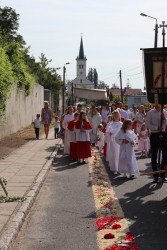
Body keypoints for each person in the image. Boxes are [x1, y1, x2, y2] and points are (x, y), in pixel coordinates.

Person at [146, 104, 167, 183]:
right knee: (154, 154)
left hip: (163, 134)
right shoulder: (150, 112)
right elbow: (148, 124)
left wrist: (164, 118)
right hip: (155, 134)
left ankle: (162, 174)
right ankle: (155, 175)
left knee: (165, 154)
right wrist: (156, 128)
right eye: (156, 104)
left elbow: (166, 123)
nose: (158, 106)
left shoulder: (165, 112)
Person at [107, 110, 122, 174]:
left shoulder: (121, 124)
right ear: (113, 116)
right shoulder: (110, 124)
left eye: (117, 115)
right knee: (115, 154)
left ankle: (120, 168)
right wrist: (109, 134)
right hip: (113, 141)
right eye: (115, 115)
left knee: (120, 155)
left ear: (119, 116)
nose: (116, 117)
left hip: (120, 141)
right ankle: (115, 168)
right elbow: (107, 132)